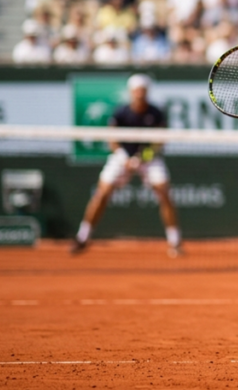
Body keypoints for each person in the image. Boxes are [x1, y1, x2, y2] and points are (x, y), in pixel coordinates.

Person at [71, 74, 182, 257]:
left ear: (147, 92)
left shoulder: (156, 113)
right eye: (136, 90)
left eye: (142, 90)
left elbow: (160, 141)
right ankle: (83, 237)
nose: (139, 94)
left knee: (164, 193)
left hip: (149, 159)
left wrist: (144, 157)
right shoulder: (121, 112)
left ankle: (175, 241)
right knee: (102, 193)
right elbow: (112, 138)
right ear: (131, 92)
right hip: (121, 157)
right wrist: (125, 158)